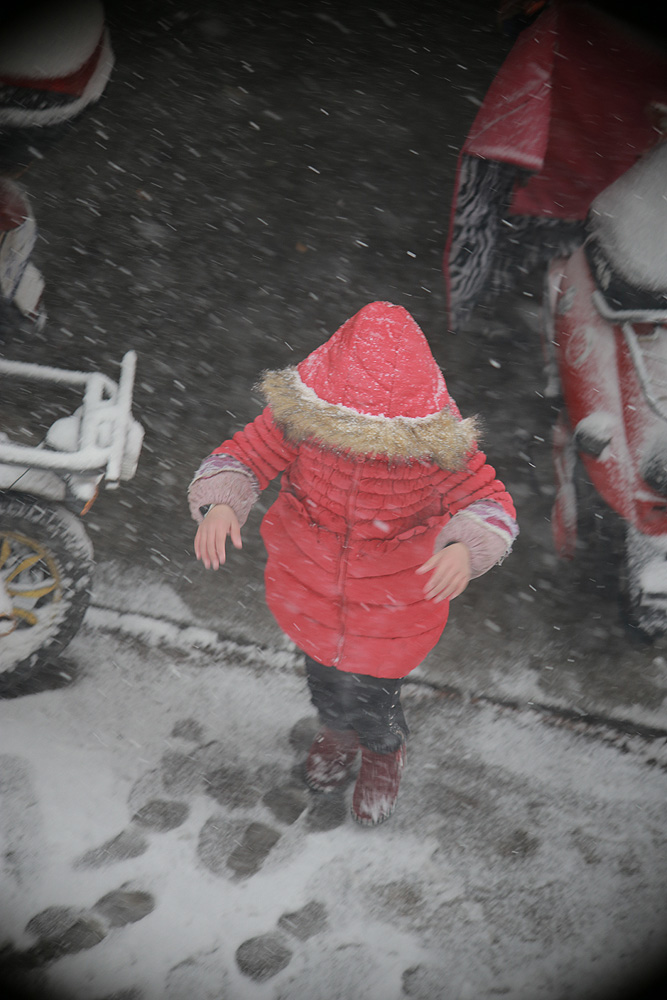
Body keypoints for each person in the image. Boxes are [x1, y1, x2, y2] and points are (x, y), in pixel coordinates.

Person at [188, 301, 517, 826]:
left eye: (380, 438)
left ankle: (384, 754)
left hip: (393, 605)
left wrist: (464, 547)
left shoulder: (434, 447)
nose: (363, 444)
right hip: (311, 586)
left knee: (377, 700)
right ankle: (336, 735)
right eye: (349, 430)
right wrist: (221, 501)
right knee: (322, 677)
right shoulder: (301, 421)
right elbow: (244, 456)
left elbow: (488, 503)